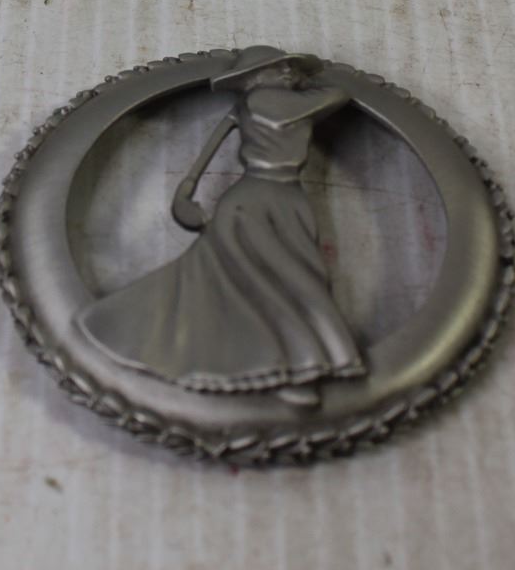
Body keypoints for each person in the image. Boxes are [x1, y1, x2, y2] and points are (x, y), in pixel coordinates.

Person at [74, 47, 364, 406]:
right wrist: (184, 197)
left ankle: (286, 367)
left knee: (275, 282)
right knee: (282, 284)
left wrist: (186, 192)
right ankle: (294, 372)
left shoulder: (248, 108)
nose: (289, 72)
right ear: (254, 78)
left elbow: (203, 158)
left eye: (289, 67)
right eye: (279, 68)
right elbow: (336, 93)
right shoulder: (265, 100)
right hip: (257, 201)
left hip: (285, 198)